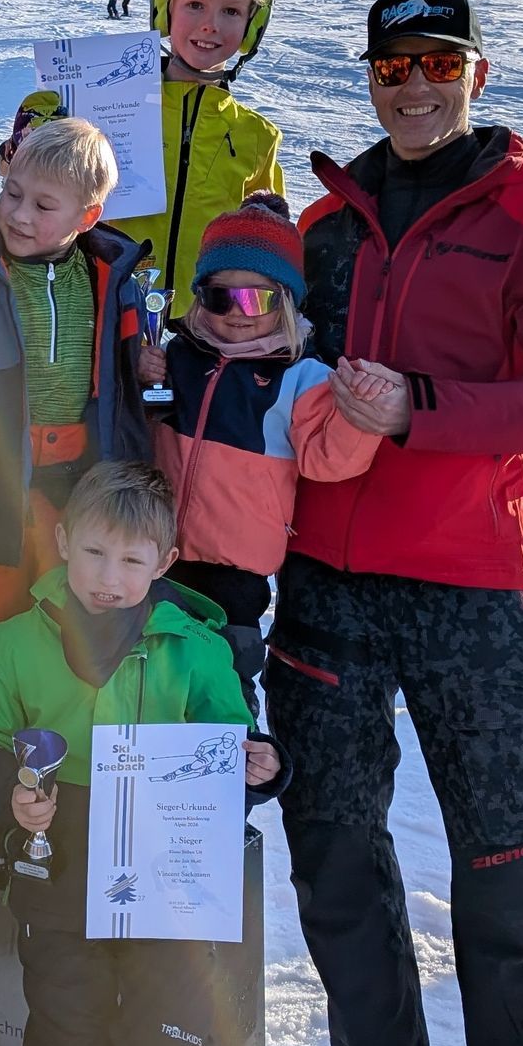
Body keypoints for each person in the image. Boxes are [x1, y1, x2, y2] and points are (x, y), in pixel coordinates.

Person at [276, 0, 523, 1046]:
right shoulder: (327, 222)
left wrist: (421, 409)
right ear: (371, 78)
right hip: (326, 579)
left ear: (478, 72)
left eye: (437, 63)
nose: (414, 86)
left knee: (509, 842)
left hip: (469, 579)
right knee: (331, 832)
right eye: (392, 67)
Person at [0, 460, 288, 1046]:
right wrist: (11, 793)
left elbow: (232, 747)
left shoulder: (199, 651)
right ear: (64, 540)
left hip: (168, 888)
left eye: (133, 560)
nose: (110, 577)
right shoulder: (8, 646)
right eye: (96, 553)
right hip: (58, 882)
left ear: (164, 562)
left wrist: (260, 764)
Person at [0, 119, 152, 858]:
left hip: (79, 493)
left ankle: (61, 811)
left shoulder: (106, 281)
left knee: (70, 647)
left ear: (87, 216)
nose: (17, 213)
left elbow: (125, 384)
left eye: (44, 205)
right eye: (12, 193)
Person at [135, 194, 382, 710]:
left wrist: (361, 416)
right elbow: (137, 430)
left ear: (286, 301)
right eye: (220, 298)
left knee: (222, 679)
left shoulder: (301, 377)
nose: (237, 314)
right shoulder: (176, 354)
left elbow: (326, 461)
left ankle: (229, 754)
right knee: (145, 675)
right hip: (151, 552)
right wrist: (139, 379)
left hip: (235, 570)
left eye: (257, 300)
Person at [110, 0, 285, 321]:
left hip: (206, 333)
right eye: (194, 5)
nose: (211, 24)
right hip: (107, 323)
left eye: (231, 11)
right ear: (165, 10)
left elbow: (267, 254)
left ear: (252, 27)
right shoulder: (111, 102)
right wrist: (36, 127)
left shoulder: (257, 137)